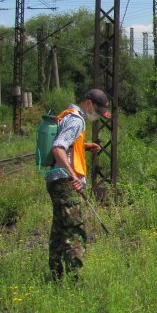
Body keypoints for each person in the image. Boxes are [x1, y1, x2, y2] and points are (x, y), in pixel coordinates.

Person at [45, 89, 111, 280]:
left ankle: (55, 276)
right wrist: (73, 175)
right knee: (75, 230)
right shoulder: (76, 119)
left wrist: (85, 146)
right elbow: (58, 147)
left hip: (55, 180)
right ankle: (76, 279)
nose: (97, 115)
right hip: (66, 182)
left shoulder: (67, 116)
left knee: (59, 229)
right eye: (97, 111)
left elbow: (67, 145)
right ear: (89, 103)